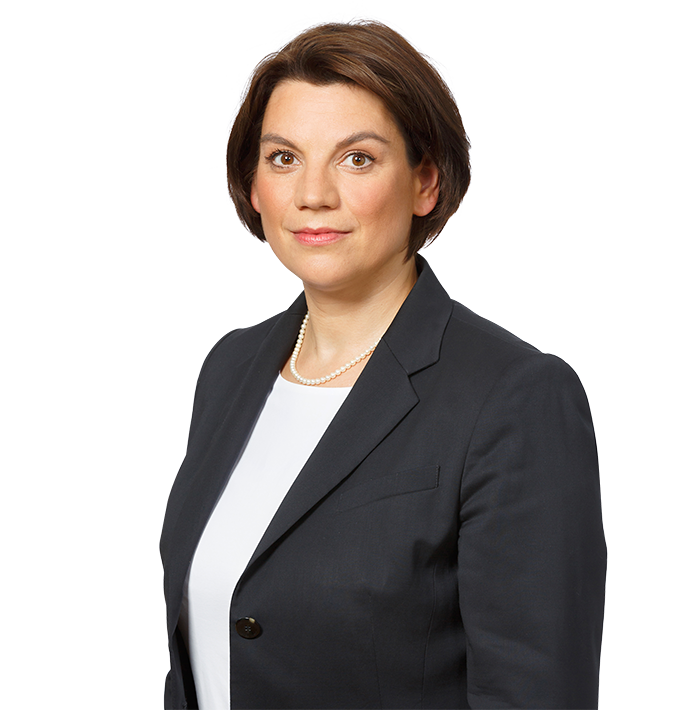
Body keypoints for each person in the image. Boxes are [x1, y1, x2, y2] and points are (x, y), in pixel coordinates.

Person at [160, 19, 607, 710]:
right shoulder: (230, 369)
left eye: (357, 159)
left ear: (426, 183)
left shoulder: (516, 397)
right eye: (283, 158)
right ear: (252, 187)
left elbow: (534, 693)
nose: (313, 193)